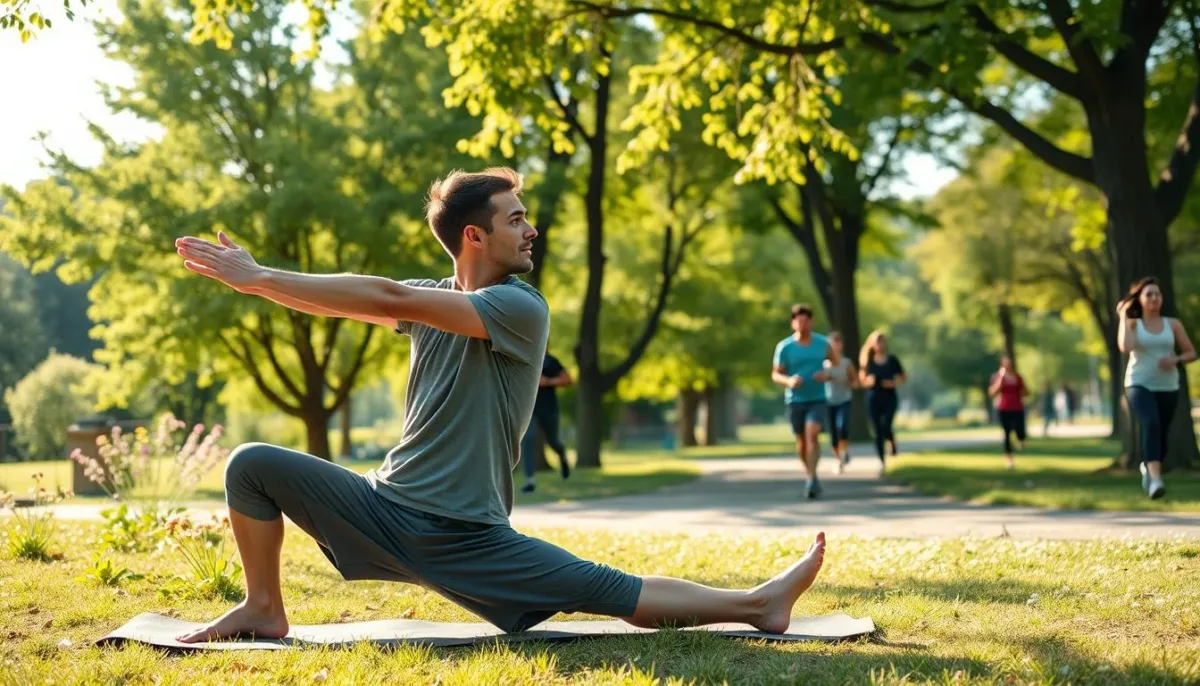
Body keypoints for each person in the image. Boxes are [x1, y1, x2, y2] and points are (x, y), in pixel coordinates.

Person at [171, 167, 826, 643]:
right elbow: (356, 300)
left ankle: (755, 605)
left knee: (611, 593)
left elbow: (389, 299)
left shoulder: (518, 307)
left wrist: (259, 277)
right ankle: (263, 607)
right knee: (251, 465)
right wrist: (260, 286)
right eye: (516, 218)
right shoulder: (433, 303)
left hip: (466, 536)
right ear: (474, 237)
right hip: (383, 509)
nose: (531, 229)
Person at [1117, 276, 1196, 500]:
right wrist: (1123, 315)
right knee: (1151, 423)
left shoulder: (1173, 324)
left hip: (1168, 385)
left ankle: (1149, 468)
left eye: (1157, 294)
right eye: (1148, 294)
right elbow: (1125, 346)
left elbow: (1191, 353)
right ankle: (1156, 480)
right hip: (1138, 383)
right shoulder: (1133, 324)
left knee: (1161, 433)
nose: (1154, 298)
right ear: (1140, 300)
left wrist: (1176, 360)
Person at [772, 305, 836, 499]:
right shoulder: (785, 347)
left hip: (817, 398)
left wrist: (826, 374)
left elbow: (835, 364)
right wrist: (789, 381)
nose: (803, 324)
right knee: (801, 442)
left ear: (812, 321)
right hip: (795, 400)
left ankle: (811, 478)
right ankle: (811, 474)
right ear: (793, 323)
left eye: (806, 321)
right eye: (799, 321)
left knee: (812, 432)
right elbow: (776, 374)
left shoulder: (823, 343)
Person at [519, 350, 573, 493]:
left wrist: (547, 381)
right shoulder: (523, 356)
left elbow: (568, 380)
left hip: (549, 409)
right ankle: (529, 481)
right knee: (528, 440)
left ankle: (562, 456)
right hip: (530, 410)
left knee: (553, 442)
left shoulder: (550, 360)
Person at [858, 330, 905, 472]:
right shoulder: (867, 360)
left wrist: (893, 383)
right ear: (872, 344)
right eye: (877, 341)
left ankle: (891, 440)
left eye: (881, 341)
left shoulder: (892, 360)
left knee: (886, 424)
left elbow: (902, 377)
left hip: (889, 396)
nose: (879, 344)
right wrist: (868, 381)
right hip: (873, 397)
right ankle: (882, 460)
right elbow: (862, 379)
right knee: (877, 429)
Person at [823, 331, 857, 473]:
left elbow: (854, 380)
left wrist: (851, 383)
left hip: (844, 399)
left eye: (838, 343)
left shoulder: (846, 363)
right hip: (828, 401)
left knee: (842, 427)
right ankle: (838, 459)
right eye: (832, 344)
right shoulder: (824, 364)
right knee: (833, 434)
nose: (835, 347)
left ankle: (844, 450)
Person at [988, 356, 1028, 470]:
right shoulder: (997, 377)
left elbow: (1025, 392)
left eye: (1009, 364)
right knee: (1006, 434)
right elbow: (992, 392)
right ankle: (1009, 460)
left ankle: (1021, 439)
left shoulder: (1018, 377)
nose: (1008, 366)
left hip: (1018, 407)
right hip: (1004, 408)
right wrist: (1001, 377)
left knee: (1020, 430)